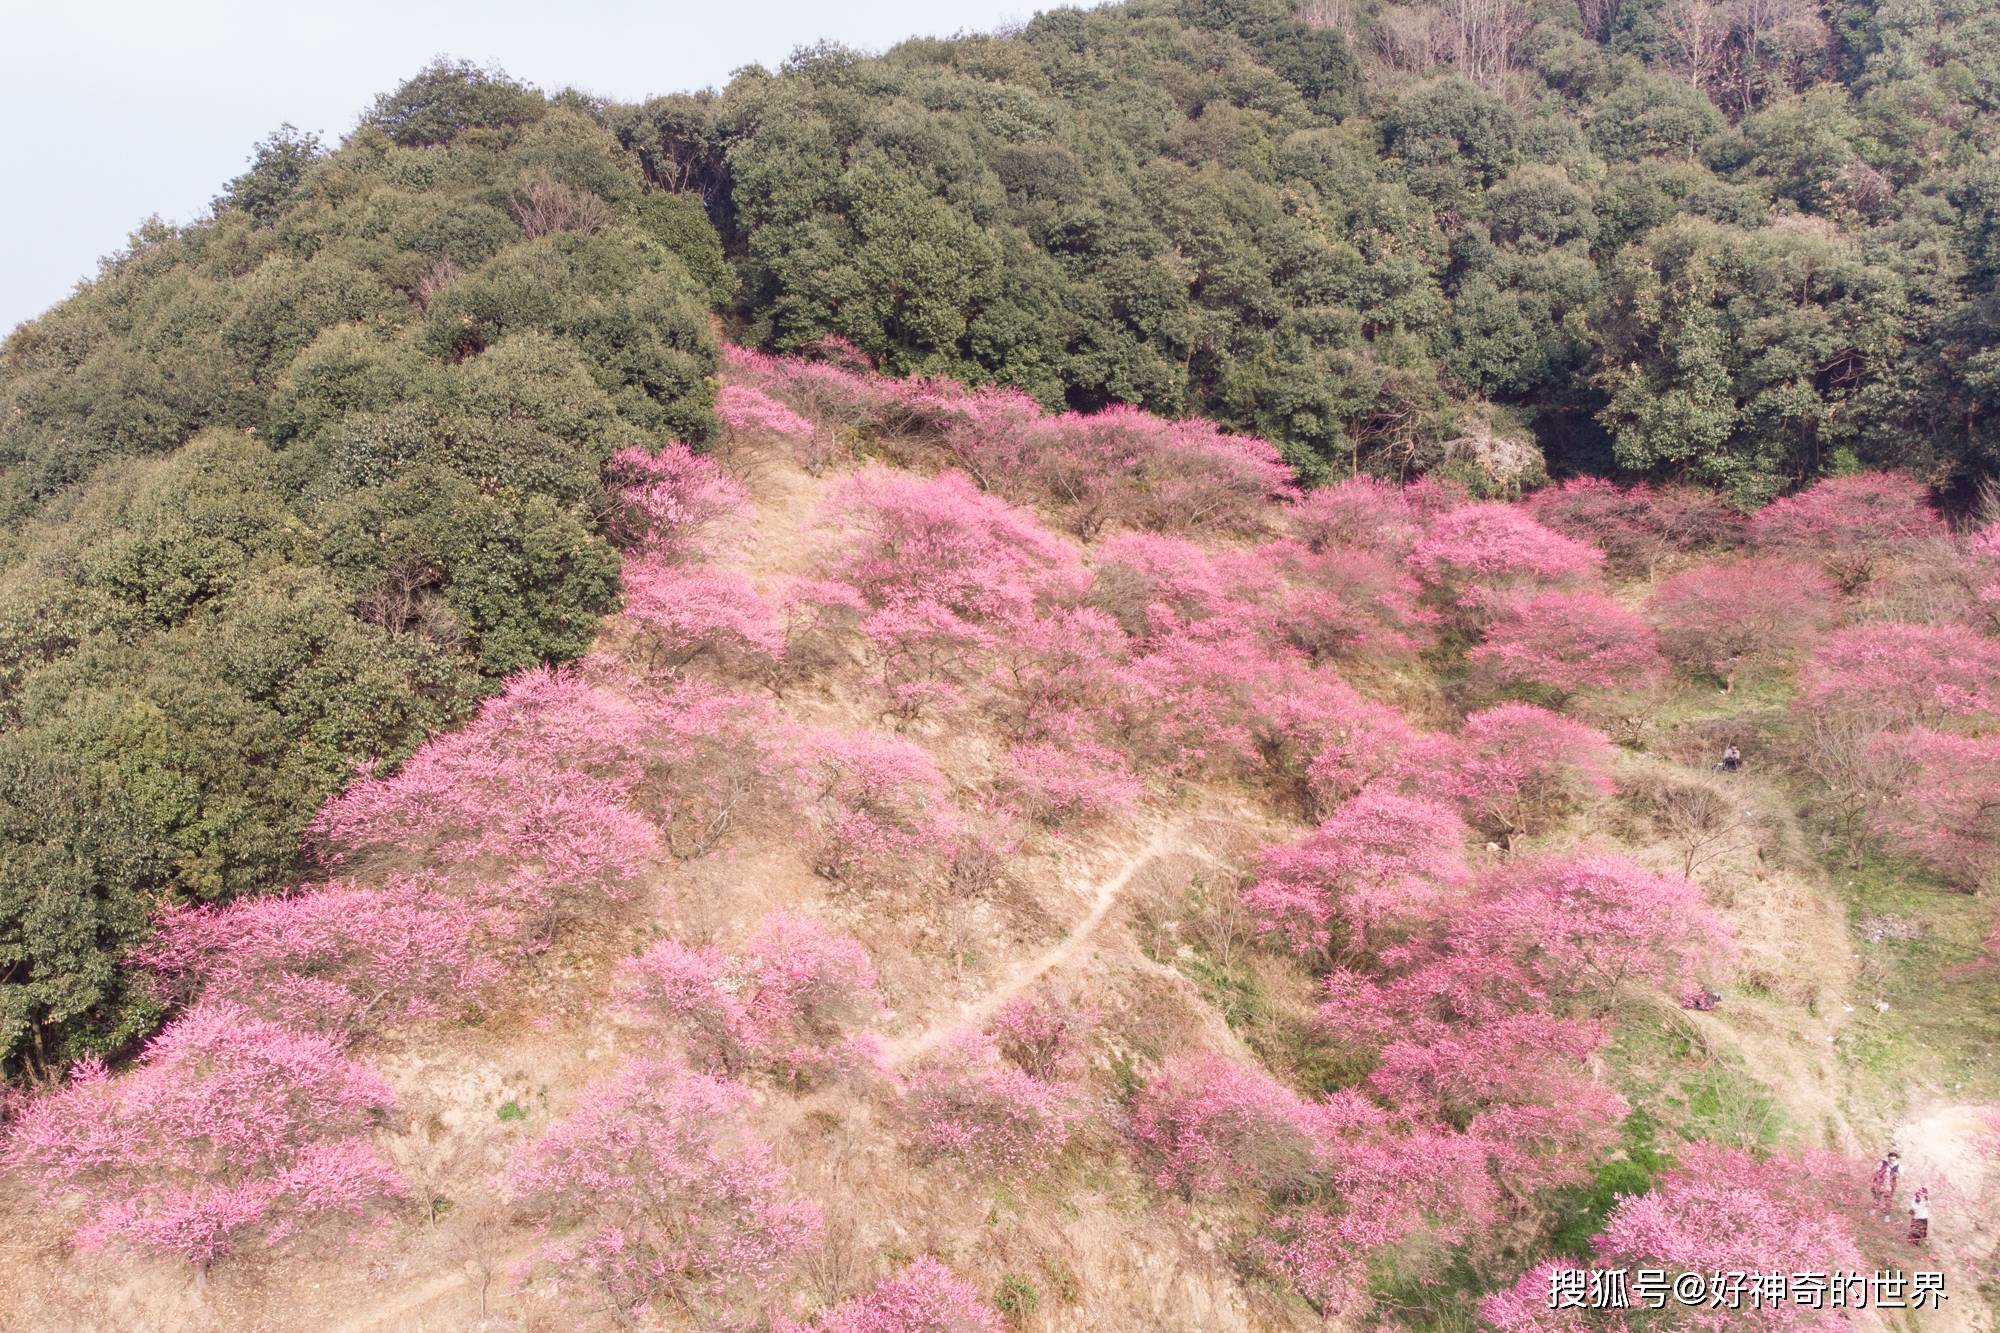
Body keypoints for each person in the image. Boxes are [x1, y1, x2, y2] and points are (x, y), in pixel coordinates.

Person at [1871, 1151, 1901, 1215]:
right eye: (1890, 1159)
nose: (1891, 1161)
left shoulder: (1897, 1165)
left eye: (1893, 1160)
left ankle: (1886, 1215)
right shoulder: (1883, 1163)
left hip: (1890, 1184)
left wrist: (1896, 1175)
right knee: (1877, 1196)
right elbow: (1876, 1170)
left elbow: (1898, 1175)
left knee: (1888, 1199)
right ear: (1888, 1158)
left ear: (1895, 1159)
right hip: (1881, 1182)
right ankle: (1873, 1210)